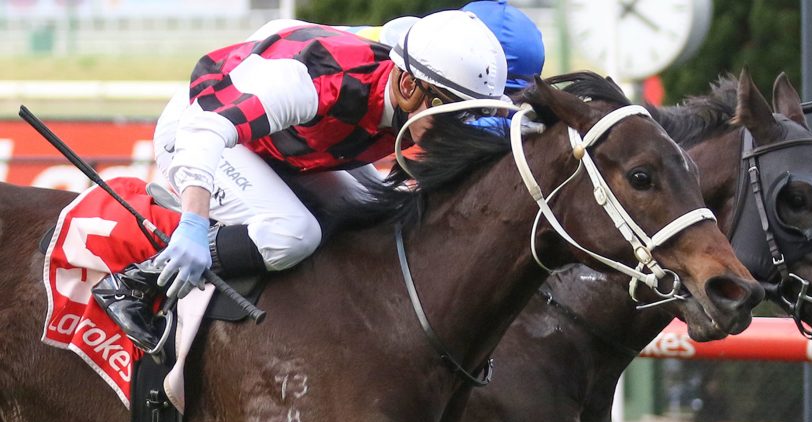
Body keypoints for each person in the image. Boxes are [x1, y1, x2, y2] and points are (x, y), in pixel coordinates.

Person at [93, 10, 507, 351]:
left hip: (280, 141)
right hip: (199, 130)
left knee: (375, 212)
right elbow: (205, 129)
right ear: (407, 85)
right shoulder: (317, 83)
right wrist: (194, 222)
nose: (460, 129)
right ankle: (135, 282)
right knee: (294, 233)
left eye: (470, 115)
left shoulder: (410, 79)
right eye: (450, 113)